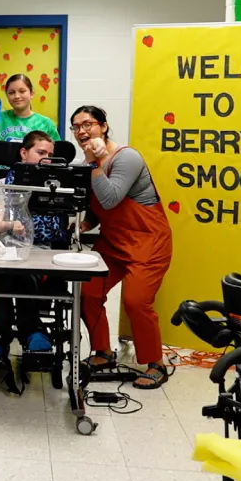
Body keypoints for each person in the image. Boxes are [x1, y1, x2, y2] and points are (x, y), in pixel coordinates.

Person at [70, 105, 173, 389]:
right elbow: (98, 206)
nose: (81, 131)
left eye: (87, 124)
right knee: (87, 291)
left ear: (103, 126)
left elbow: (111, 197)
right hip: (114, 243)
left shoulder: (127, 157)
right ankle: (103, 351)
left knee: (136, 301)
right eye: (76, 126)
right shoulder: (87, 163)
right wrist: (86, 222)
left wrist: (93, 163)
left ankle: (156, 364)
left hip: (148, 242)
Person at [0, 131, 72, 352]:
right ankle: (18, 330)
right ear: (24, 153)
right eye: (40, 152)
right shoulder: (4, 183)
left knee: (23, 270)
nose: (46, 159)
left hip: (45, 251)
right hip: (9, 247)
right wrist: (11, 225)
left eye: (50, 154)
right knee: (7, 271)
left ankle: (17, 331)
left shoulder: (59, 185)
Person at [0, 74, 61, 152]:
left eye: (22, 91)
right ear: (7, 95)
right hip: (1, 168)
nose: (17, 96)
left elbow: (56, 155)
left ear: (32, 94)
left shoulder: (46, 123)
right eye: (11, 92)